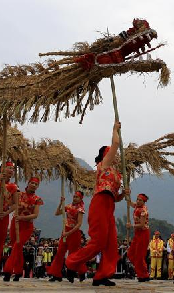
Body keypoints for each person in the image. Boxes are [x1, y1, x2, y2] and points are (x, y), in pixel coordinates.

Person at [65, 121, 130, 287]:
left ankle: (102, 275)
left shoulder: (116, 173)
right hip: (100, 204)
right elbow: (116, 143)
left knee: (111, 244)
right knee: (99, 242)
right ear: (105, 155)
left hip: (109, 205)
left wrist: (123, 193)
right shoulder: (104, 165)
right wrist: (115, 129)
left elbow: (115, 197)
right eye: (111, 153)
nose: (114, 155)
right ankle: (71, 263)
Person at [3, 176, 43, 281]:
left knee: (18, 244)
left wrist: (22, 217)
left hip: (27, 226)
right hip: (15, 223)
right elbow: (10, 204)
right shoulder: (19, 194)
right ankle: (18, 272)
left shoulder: (37, 199)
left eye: (36, 184)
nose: (34, 185)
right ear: (28, 183)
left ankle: (7, 270)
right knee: (17, 248)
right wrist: (12, 194)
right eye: (32, 183)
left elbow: (35, 215)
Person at [47, 191, 87, 282]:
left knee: (73, 255)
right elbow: (57, 213)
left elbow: (79, 224)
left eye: (77, 197)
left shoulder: (80, 209)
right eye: (74, 196)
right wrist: (61, 203)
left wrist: (68, 233)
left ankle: (78, 272)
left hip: (74, 233)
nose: (75, 198)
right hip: (65, 231)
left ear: (81, 199)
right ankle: (56, 274)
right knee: (59, 253)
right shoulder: (68, 206)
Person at [126, 193, 150, 282]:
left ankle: (144, 275)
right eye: (137, 199)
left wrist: (131, 225)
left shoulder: (143, 211)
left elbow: (142, 225)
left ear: (144, 202)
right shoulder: (136, 206)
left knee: (139, 256)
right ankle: (141, 272)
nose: (138, 201)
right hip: (137, 234)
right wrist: (127, 194)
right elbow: (129, 203)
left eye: (140, 200)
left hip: (143, 234)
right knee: (131, 254)